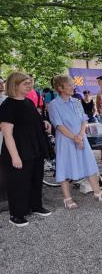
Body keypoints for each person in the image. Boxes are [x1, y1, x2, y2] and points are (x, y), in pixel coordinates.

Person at [48, 75, 102, 209]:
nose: (74, 87)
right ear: (60, 88)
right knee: (65, 167)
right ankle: (67, 198)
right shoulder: (54, 105)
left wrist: (81, 135)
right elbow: (58, 125)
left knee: (89, 163)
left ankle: (97, 191)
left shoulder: (77, 102)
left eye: (73, 84)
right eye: (70, 85)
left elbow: (84, 119)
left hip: (81, 138)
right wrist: (74, 137)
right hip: (66, 141)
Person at [0, 71, 52, 227]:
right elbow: (7, 134)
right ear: (15, 85)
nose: (30, 85)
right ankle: (16, 214)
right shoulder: (7, 105)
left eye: (30, 82)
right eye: (26, 83)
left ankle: (35, 206)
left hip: (34, 147)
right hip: (19, 150)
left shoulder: (28, 102)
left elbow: (33, 121)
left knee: (36, 178)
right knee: (18, 183)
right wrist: (15, 156)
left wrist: (44, 123)